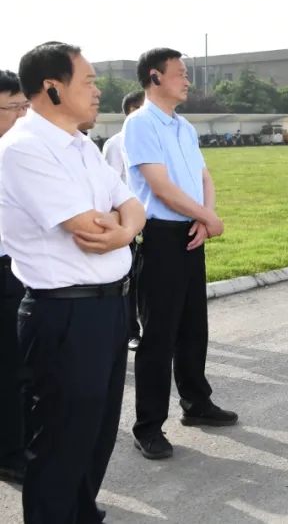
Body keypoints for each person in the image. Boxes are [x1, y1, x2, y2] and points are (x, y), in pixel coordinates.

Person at [0, 41, 146, 523]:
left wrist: (121, 231)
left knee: (96, 436)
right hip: (64, 312)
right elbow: (86, 226)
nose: (98, 91)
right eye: (88, 81)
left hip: (109, 308)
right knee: (61, 443)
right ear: (52, 88)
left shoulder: (83, 146)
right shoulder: (22, 149)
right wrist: (121, 228)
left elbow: (132, 207)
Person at [125, 47, 236, 461]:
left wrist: (206, 218)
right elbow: (160, 187)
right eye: (181, 73)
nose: (188, 81)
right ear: (155, 77)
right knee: (159, 335)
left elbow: (204, 176)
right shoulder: (140, 123)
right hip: (160, 237)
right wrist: (208, 218)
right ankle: (148, 426)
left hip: (192, 231)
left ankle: (196, 402)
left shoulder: (183, 126)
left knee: (193, 326)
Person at [0, 69, 28, 486]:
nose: (23, 115)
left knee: (18, 367)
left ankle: (14, 448)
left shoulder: (19, 154)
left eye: (25, 106)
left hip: (18, 270)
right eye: (13, 108)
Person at [102, 89, 146, 351]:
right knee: (130, 279)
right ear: (132, 110)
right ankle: (131, 331)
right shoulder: (116, 143)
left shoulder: (153, 141)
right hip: (128, 223)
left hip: (151, 221)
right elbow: (111, 188)